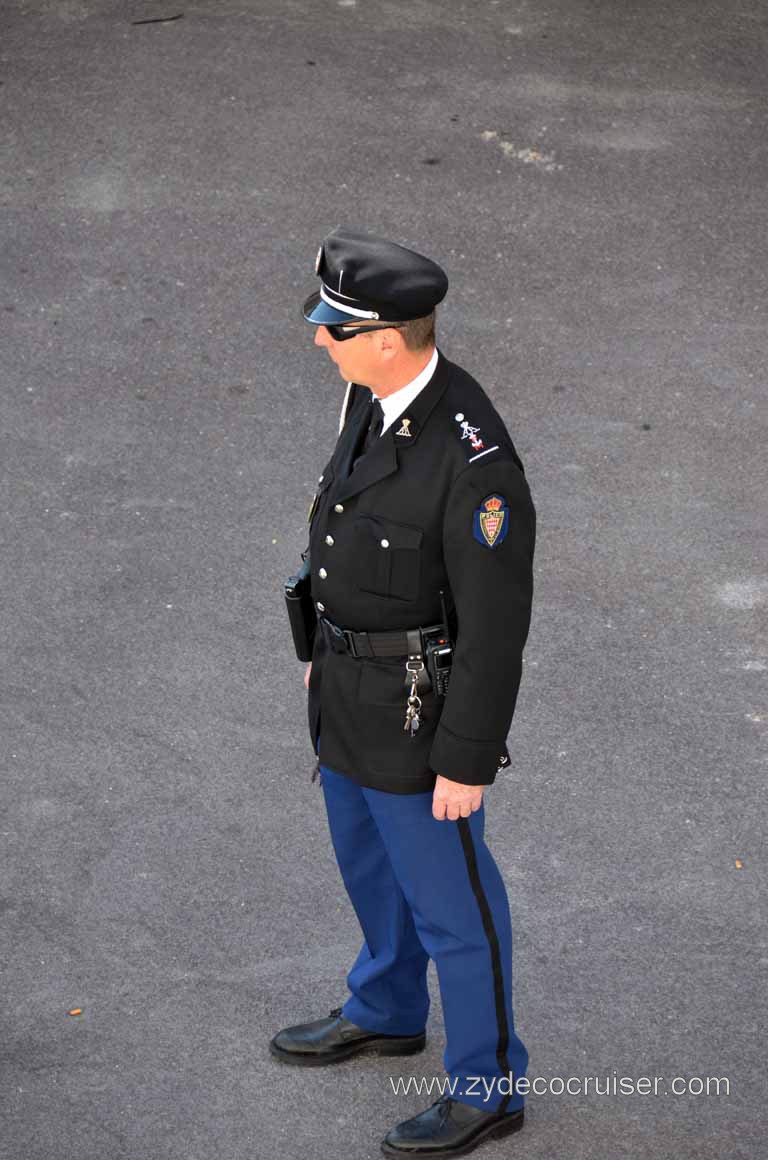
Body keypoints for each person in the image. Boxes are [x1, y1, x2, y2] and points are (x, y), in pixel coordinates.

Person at [270, 226, 537, 1158]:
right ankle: (386, 1008)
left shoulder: (476, 464)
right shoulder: (371, 392)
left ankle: (489, 1083)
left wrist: (466, 761)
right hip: (349, 690)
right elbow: (339, 517)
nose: (318, 340)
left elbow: (497, 630)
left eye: (333, 329)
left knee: (455, 909)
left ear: (388, 336)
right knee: (370, 868)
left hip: (423, 718)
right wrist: (320, 644)